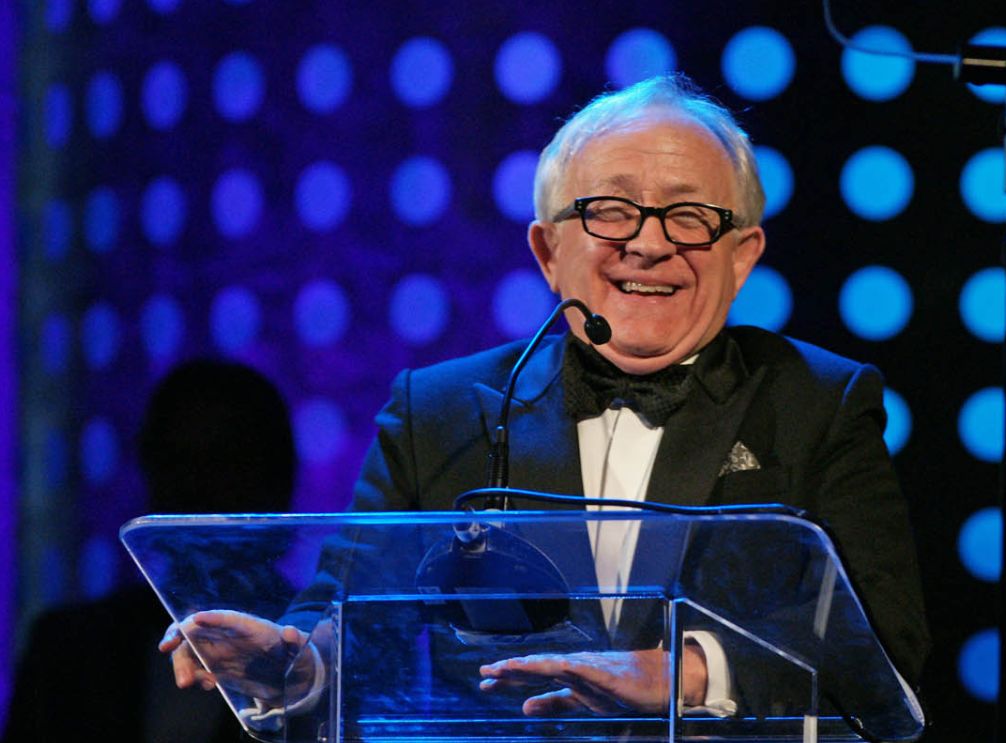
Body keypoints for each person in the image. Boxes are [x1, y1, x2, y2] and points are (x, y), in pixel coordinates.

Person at [163, 73, 929, 722]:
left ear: (741, 257)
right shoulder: (437, 414)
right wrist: (290, 663)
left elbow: (884, 642)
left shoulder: (818, 402)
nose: (649, 242)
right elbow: (352, 617)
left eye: (690, 216)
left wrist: (687, 673)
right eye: (610, 210)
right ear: (547, 250)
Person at [5, 360, 296, 743]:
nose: (197, 488)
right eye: (179, 461)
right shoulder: (67, 645)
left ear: (277, 478)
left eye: (225, 462)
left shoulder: (315, 649)